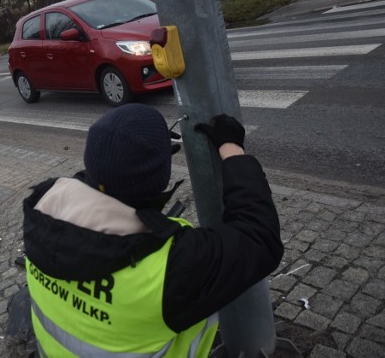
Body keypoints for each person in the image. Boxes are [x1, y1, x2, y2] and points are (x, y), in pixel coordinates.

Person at [22, 104, 283, 357]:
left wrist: (128, 152)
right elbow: (258, 235)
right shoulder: (171, 267)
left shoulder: (41, 208)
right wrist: (231, 147)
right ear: (159, 179)